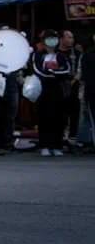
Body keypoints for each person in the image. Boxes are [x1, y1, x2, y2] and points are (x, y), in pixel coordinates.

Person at [33, 29, 71, 157]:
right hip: (43, 91)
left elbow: (66, 70)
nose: (52, 41)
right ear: (44, 41)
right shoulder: (38, 55)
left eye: (54, 38)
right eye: (49, 38)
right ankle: (44, 145)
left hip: (58, 91)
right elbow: (37, 70)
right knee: (44, 118)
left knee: (58, 118)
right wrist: (53, 73)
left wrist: (53, 73)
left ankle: (57, 145)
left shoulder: (61, 56)